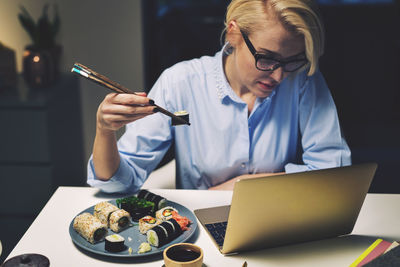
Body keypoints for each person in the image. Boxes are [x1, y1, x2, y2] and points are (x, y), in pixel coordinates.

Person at [87, 0, 351, 193]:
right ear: (234, 33)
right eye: (267, 58)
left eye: (293, 61)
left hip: (278, 223)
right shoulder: (181, 83)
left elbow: (333, 174)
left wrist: (239, 186)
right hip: (198, 231)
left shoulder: (303, 81)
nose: (280, 76)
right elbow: (117, 183)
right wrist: (104, 131)